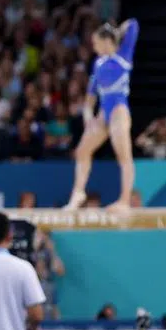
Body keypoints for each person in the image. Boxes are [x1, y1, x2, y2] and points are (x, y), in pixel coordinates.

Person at [66, 19, 140, 212]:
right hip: (103, 114)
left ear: (106, 41)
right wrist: (88, 118)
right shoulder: (97, 64)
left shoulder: (123, 54)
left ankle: (124, 201)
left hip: (119, 111)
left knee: (123, 156)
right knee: (82, 151)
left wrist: (115, 31)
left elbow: (133, 24)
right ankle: (78, 193)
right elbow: (89, 99)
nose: (94, 46)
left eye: (96, 42)